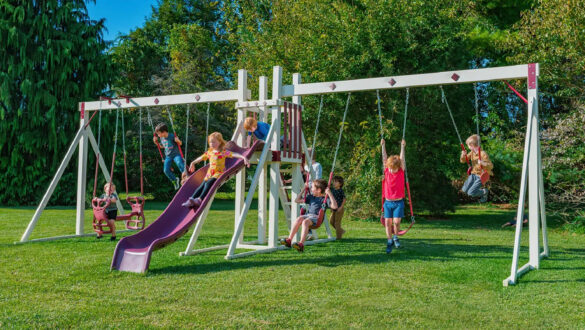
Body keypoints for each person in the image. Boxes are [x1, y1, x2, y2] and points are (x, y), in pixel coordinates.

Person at [182, 132, 250, 208]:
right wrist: (193, 162)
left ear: (220, 142)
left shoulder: (223, 152)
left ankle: (199, 200)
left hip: (218, 173)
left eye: (214, 142)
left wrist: (243, 157)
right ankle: (191, 200)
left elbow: (233, 154)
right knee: (201, 186)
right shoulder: (209, 152)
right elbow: (201, 158)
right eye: (210, 142)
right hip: (209, 173)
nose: (211, 144)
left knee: (208, 184)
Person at [279, 179, 337, 252]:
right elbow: (297, 200)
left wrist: (329, 193)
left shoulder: (325, 200)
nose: (311, 189)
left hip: (316, 218)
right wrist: (304, 189)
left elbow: (335, 206)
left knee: (305, 222)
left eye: (312, 187)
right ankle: (289, 240)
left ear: (318, 190)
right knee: (299, 218)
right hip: (308, 215)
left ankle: (301, 244)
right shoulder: (311, 197)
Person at [381, 139, 406, 254]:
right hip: (388, 202)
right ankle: (389, 240)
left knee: (396, 222)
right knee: (387, 222)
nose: (391, 169)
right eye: (390, 167)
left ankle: (396, 236)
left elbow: (402, 159)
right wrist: (383, 146)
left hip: (398, 202)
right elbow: (384, 159)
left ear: (398, 167)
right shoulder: (386, 171)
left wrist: (402, 147)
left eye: (393, 168)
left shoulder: (401, 172)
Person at [460, 134, 493, 203]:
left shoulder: (483, 154)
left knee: (471, 193)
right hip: (473, 174)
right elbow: (463, 161)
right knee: (464, 189)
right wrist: (463, 155)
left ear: (472, 145)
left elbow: (491, 166)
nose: (468, 147)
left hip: (480, 176)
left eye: (468, 145)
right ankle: (481, 192)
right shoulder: (472, 153)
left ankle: (484, 191)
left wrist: (483, 163)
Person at [153, 123, 185, 190]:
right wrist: (156, 143)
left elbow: (180, 143)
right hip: (168, 156)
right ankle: (175, 180)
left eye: (159, 134)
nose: (158, 136)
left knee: (180, 163)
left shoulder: (172, 136)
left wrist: (178, 141)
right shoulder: (161, 138)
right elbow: (162, 146)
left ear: (164, 132)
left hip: (176, 154)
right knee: (166, 170)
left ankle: (185, 177)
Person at [329, 175, 347, 240]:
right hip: (334, 208)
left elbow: (344, 199)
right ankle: (341, 231)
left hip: (339, 208)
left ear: (340, 184)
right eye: (334, 182)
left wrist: (341, 207)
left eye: (336, 182)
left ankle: (338, 238)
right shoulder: (332, 190)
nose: (334, 183)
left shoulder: (340, 191)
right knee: (331, 221)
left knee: (337, 223)